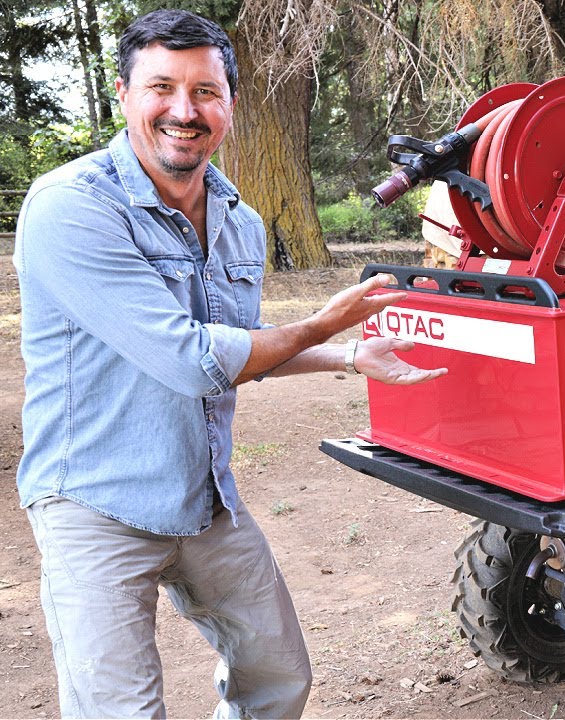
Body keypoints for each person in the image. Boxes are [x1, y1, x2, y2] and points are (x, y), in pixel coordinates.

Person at [13, 9, 444, 718]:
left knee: (278, 678)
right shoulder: (72, 208)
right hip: (94, 504)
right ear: (123, 94)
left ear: (230, 105)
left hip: (203, 495)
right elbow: (192, 360)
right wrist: (321, 323)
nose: (184, 111)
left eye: (205, 91)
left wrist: (348, 354)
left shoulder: (240, 221)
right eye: (162, 87)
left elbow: (240, 348)